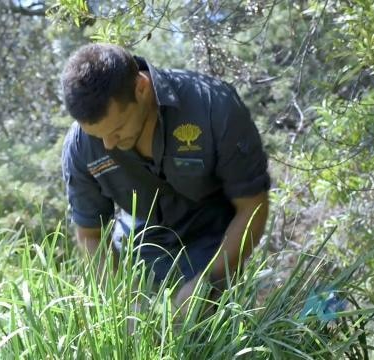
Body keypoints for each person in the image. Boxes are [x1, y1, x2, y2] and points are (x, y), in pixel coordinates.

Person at [60, 43, 270, 315]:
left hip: (215, 241)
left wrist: (208, 283)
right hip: (138, 248)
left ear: (142, 88)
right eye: (98, 135)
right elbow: (90, 236)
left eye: (118, 129)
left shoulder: (213, 106)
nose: (108, 144)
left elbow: (252, 206)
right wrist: (125, 302)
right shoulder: (80, 146)